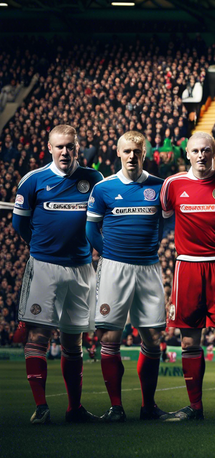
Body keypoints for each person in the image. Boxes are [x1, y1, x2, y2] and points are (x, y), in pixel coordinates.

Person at [13, 124, 104, 424]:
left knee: (72, 341)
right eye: (60, 146)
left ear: (78, 148)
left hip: (80, 268)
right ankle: (41, 407)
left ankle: (74, 409)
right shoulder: (33, 181)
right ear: (49, 148)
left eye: (70, 146)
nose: (65, 151)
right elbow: (20, 225)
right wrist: (45, 248)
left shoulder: (93, 179)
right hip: (44, 268)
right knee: (38, 335)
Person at [159, 131, 215, 421]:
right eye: (196, 150)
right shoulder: (172, 185)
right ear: (187, 154)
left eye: (206, 150)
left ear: (214, 153)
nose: (201, 155)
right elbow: (161, 221)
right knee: (189, 341)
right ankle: (195, 408)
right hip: (188, 267)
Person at [86, 131, 172, 422]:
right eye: (127, 151)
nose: (132, 156)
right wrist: (110, 254)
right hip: (114, 269)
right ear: (119, 153)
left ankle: (148, 407)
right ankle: (116, 408)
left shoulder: (160, 187)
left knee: (152, 336)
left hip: (148, 268)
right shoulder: (103, 188)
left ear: (144, 154)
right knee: (109, 336)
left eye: (137, 151)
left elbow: (175, 221)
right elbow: (90, 231)